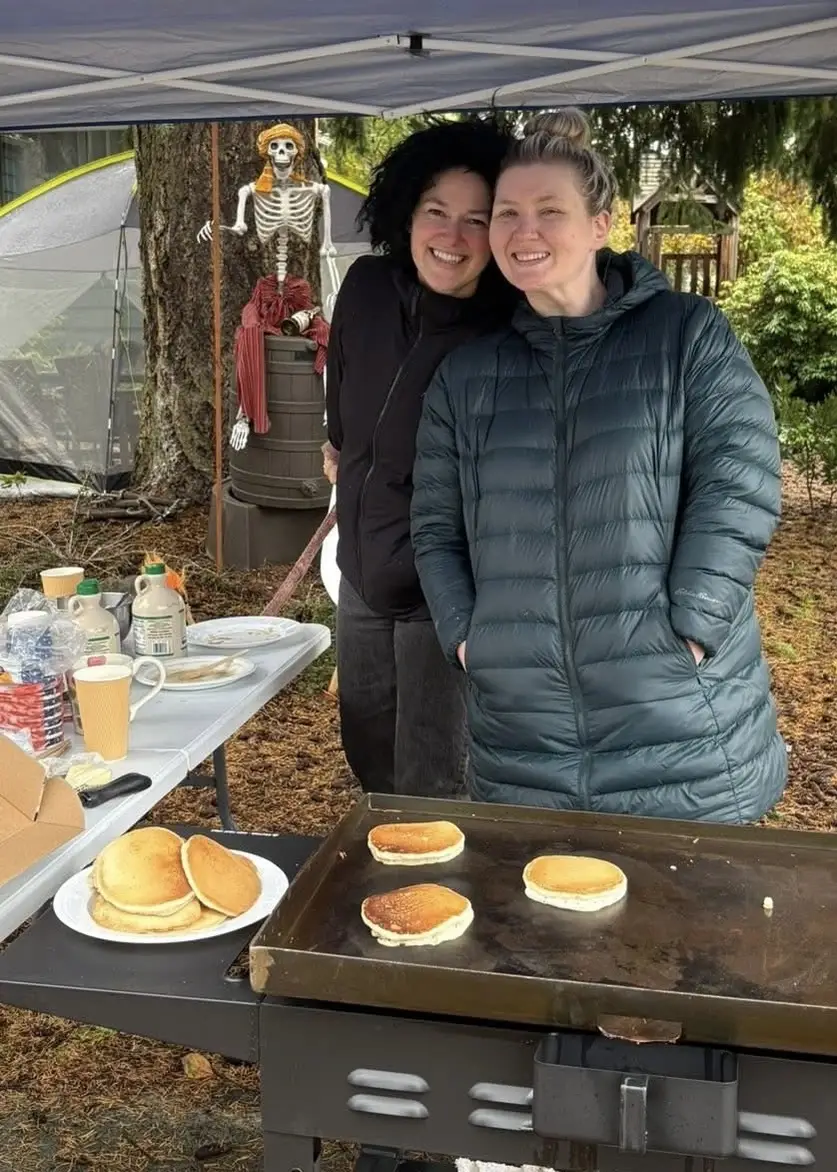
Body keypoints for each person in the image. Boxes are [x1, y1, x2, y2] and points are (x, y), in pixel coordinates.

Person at [411, 109, 787, 823]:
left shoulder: (685, 334)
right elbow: (434, 525)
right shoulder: (467, 375)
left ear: (598, 226)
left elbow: (737, 480)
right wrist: (468, 637)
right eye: (507, 214)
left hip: (680, 727)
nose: (524, 232)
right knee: (541, 924)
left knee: (686, 929)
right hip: (524, 740)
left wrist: (693, 625)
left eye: (549, 211)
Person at [324, 120, 516, 797]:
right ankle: (388, 899)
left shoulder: (508, 334)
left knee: (434, 783)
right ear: (406, 213)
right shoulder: (366, 289)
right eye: (436, 211)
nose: (451, 237)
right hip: (362, 579)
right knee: (370, 760)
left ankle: (439, 898)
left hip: (447, 596)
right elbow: (339, 430)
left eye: (476, 220)